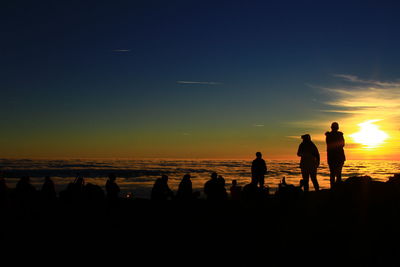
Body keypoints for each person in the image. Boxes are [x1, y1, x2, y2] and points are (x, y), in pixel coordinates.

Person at [325, 122, 346, 188]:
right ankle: (336, 189)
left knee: (334, 174)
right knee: (337, 174)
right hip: (336, 157)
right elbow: (342, 144)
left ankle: (334, 188)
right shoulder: (337, 135)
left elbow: (342, 144)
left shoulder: (330, 135)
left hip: (334, 157)